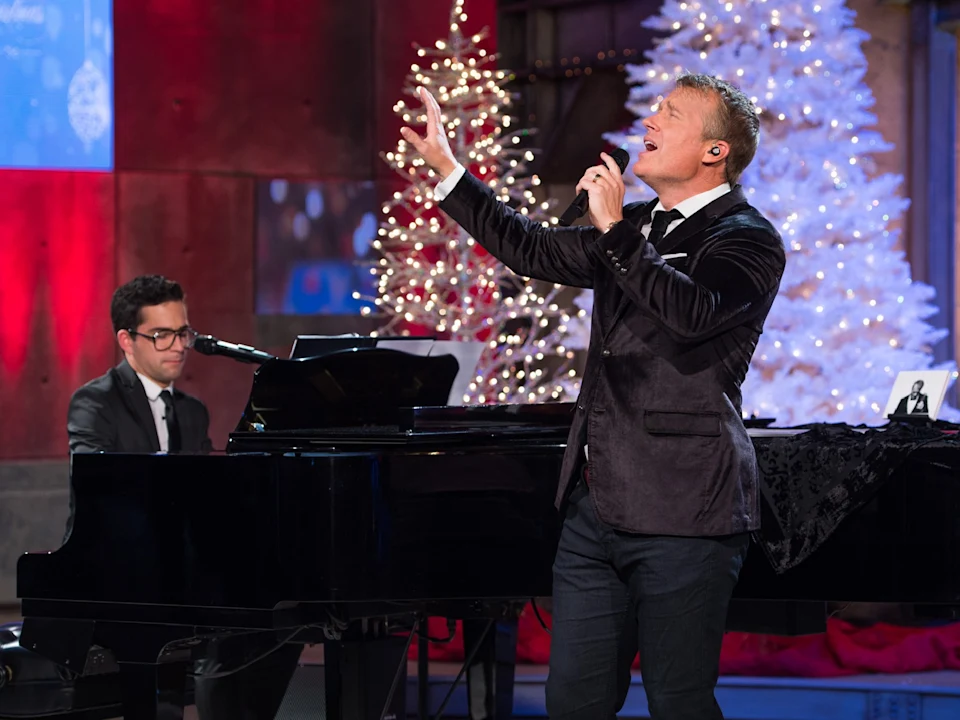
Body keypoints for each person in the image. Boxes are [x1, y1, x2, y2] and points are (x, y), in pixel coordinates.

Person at [401, 73, 786, 719]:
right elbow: (527, 247)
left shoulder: (746, 239)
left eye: (671, 113)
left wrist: (614, 233)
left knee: (679, 702)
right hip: (595, 506)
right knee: (573, 702)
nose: (651, 120)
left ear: (715, 152)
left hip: (686, 509)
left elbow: (691, 313)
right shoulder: (633, 227)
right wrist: (447, 170)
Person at [67, 274, 301, 720]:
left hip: (179, 567)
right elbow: (101, 490)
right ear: (127, 340)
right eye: (162, 334)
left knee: (278, 615)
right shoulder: (94, 403)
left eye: (184, 332)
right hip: (114, 565)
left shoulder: (192, 411)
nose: (178, 345)